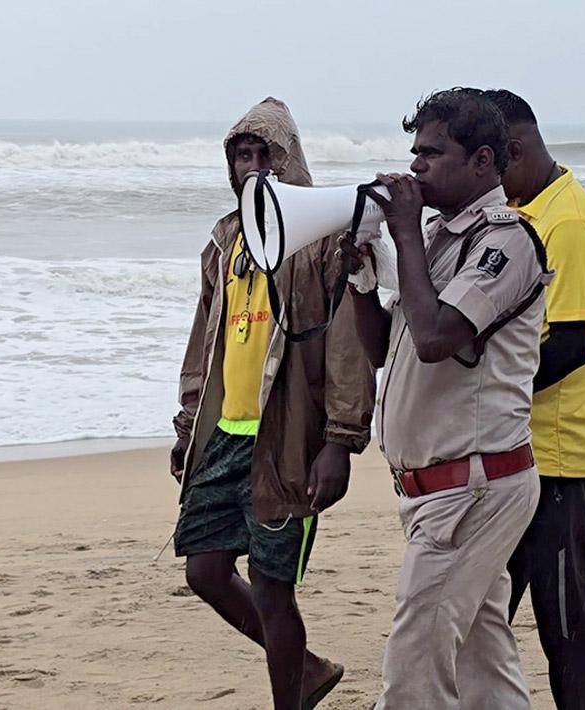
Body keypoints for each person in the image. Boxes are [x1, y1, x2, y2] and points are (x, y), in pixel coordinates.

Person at [340, 87, 549, 709]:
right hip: (447, 488)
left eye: (432, 154)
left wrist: (402, 233)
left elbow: (435, 339)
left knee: (415, 667)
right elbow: (387, 349)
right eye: (414, 152)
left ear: (483, 162)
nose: (415, 167)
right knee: (485, 669)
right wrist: (359, 279)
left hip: (472, 489)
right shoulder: (436, 240)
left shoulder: (504, 242)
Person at [169, 97, 376, 710]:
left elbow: (347, 348)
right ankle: (306, 670)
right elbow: (204, 338)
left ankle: (291, 696)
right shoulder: (226, 240)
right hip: (224, 434)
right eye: (241, 155)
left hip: (286, 438)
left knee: (272, 586)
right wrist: (187, 426)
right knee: (204, 570)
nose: (252, 166)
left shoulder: (320, 242)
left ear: (288, 161)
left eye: (264, 154)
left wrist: (339, 441)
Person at [487, 89, 585, 710]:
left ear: (514, 150)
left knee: (565, 614)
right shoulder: (528, 208)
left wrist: (482, 386)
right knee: (486, 604)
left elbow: (570, 345)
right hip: (521, 447)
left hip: (560, 449)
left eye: (490, 161)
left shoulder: (564, 223)